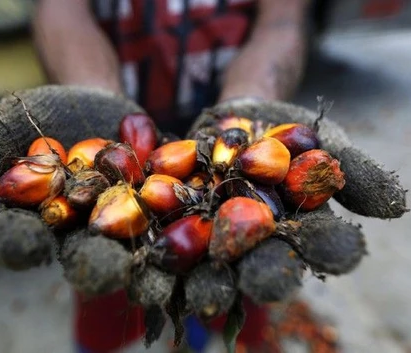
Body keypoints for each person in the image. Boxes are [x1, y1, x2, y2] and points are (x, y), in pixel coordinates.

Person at [32, 0, 311, 352]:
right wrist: (93, 96)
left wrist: (251, 105)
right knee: (105, 279)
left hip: (224, 132)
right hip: (120, 132)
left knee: (223, 293)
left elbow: (281, 19)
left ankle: (196, 337)